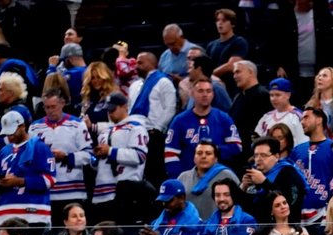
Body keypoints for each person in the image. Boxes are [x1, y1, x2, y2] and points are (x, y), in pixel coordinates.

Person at [29, 89, 93, 221]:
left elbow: (90, 155)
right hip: (45, 193)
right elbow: (28, 157)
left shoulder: (77, 125)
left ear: (62, 104)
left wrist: (66, 157)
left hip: (73, 192)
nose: (50, 111)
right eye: (47, 107)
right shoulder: (34, 128)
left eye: (53, 107)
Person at [92, 91, 151, 225]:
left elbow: (139, 156)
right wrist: (95, 158)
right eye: (108, 110)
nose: (110, 113)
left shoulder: (136, 128)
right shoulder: (104, 132)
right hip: (101, 193)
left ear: (124, 107)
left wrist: (110, 151)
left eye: (113, 109)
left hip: (125, 193)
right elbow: (97, 165)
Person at [0, 109, 57, 226]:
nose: (10, 137)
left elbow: (50, 180)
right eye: (7, 133)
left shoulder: (40, 147)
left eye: (12, 132)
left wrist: (20, 181)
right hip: (4, 215)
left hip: (33, 214)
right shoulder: (3, 151)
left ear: (22, 127)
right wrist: (0, 183)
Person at [165, 78, 241, 177]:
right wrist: (180, 177)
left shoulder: (223, 118)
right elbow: (170, 153)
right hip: (190, 177)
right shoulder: (179, 121)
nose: (205, 94)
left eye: (208, 91)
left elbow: (237, 147)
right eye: (200, 91)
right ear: (192, 94)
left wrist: (214, 151)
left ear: (213, 94)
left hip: (218, 177)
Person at [128, 52, 179, 186]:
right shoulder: (134, 85)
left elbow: (170, 108)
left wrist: (157, 129)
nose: (136, 66)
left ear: (151, 63)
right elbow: (129, 109)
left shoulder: (164, 81)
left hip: (154, 135)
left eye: (140, 63)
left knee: (153, 173)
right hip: (134, 133)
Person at [242, 136, 308, 223]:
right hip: (258, 229)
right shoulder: (253, 173)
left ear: (276, 156)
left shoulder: (288, 172)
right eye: (256, 155)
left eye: (263, 155)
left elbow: (290, 202)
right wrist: (243, 187)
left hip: (285, 228)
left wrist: (264, 183)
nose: (258, 159)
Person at [291, 107, 333, 222]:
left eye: (306, 117)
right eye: (302, 119)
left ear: (319, 120)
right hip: (299, 214)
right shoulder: (297, 150)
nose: (302, 122)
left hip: (324, 214)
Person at [177, 141, 238, 220]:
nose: (203, 156)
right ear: (194, 158)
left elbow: (239, 202)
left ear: (216, 159)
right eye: (199, 153)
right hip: (188, 228)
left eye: (208, 153)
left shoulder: (227, 175)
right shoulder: (183, 177)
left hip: (217, 228)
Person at [230, 61, 272, 160]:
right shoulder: (238, 96)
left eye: (238, 72)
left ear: (251, 72)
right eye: (234, 73)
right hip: (238, 153)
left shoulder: (263, 95)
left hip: (254, 154)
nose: (234, 76)